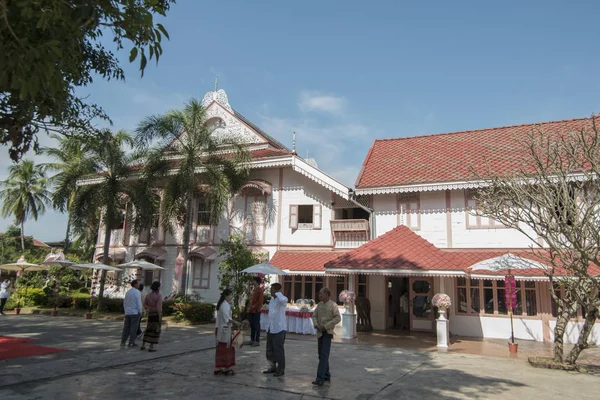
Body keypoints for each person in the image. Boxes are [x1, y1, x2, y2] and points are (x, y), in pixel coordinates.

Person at [311, 287, 342, 386]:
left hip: (327, 332)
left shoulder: (333, 305)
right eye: (319, 293)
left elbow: (338, 318)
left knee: (324, 354)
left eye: (322, 294)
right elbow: (314, 315)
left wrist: (326, 326)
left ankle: (320, 378)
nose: (320, 295)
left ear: (328, 295)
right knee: (321, 355)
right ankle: (326, 375)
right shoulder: (319, 305)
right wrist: (316, 324)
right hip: (320, 332)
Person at [214, 288, 242, 376]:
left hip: (220, 329)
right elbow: (227, 318)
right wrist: (236, 322)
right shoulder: (225, 305)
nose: (231, 297)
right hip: (224, 329)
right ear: (226, 296)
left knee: (220, 348)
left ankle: (219, 367)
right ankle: (226, 367)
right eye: (230, 296)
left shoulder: (222, 304)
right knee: (227, 349)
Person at [263, 282, 288, 377]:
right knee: (269, 349)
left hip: (279, 328)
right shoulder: (272, 300)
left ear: (276, 290)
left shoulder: (282, 299)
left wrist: (278, 293)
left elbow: (284, 300)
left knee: (278, 349)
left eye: (272, 289)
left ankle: (281, 369)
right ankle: (271, 366)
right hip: (271, 327)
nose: (270, 291)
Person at [141, 281, 162, 352]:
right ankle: (151, 346)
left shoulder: (148, 295)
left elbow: (144, 304)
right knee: (155, 330)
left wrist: (150, 308)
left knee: (148, 329)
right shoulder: (158, 296)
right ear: (158, 287)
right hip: (156, 315)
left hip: (150, 314)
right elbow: (159, 308)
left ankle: (143, 344)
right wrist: (160, 316)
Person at [121, 280, 143, 348]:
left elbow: (125, 302)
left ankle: (123, 342)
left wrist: (126, 310)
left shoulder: (128, 292)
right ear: (135, 284)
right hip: (135, 312)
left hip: (128, 312)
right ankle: (131, 342)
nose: (139, 285)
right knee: (133, 328)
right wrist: (140, 311)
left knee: (126, 328)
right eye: (138, 283)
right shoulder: (137, 292)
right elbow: (138, 303)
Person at [247, 276, 264, 347]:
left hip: (256, 310)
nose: (252, 282)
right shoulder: (254, 290)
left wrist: (254, 306)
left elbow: (260, 301)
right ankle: (252, 339)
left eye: (253, 281)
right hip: (251, 310)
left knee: (256, 325)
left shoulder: (260, 290)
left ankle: (257, 340)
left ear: (256, 282)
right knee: (252, 325)